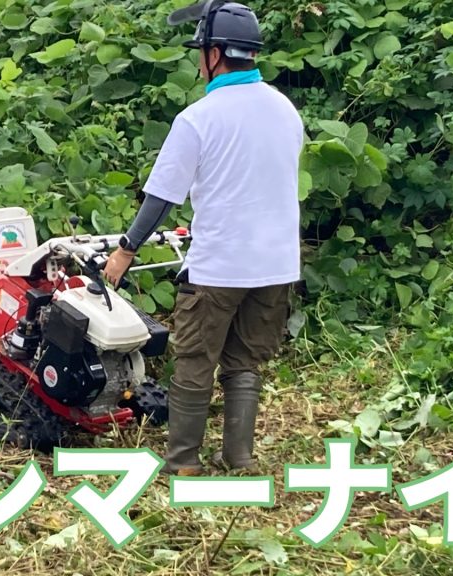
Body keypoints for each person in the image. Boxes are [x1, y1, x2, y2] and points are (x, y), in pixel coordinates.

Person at [102, 0, 305, 475]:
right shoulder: (285, 110)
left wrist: (125, 250)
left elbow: (160, 199)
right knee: (244, 362)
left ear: (214, 54)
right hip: (276, 265)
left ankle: (182, 462)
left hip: (220, 267)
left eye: (201, 51)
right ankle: (239, 458)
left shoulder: (199, 118)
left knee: (196, 360)